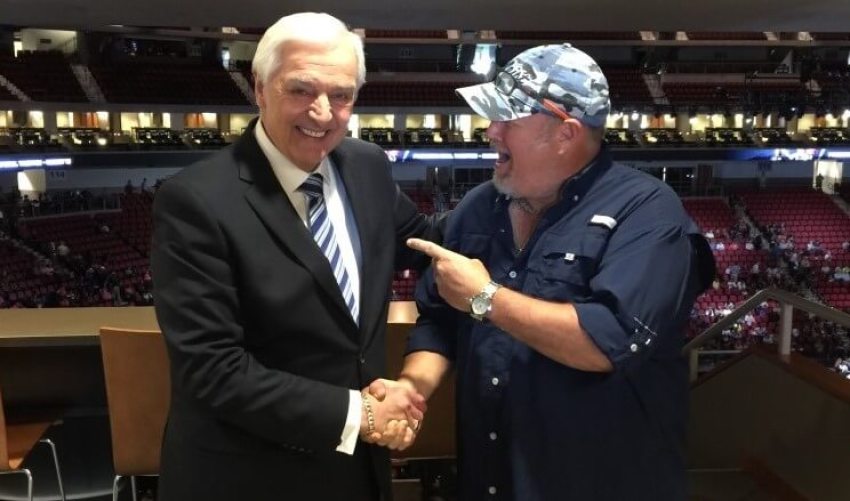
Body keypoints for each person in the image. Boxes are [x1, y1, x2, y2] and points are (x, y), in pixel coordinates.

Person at [376, 44, 715, 500]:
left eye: (507, 119)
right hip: (490, 478)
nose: (491, 131)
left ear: (565, 133)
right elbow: (440, 320)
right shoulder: (479, 208)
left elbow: (607, 341)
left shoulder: (648, 213)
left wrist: (487, 298)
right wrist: (410, 388)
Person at [151, 12, 441, 501]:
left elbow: (427, 245)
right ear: (260, 88)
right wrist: (362, 415)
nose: (323, 113)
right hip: (247, 476)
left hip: (356, 472)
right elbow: (212, 370)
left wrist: (514, 194)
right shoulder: (194, 201)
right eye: (301, 90)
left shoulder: (367, 166)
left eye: (342, 95)